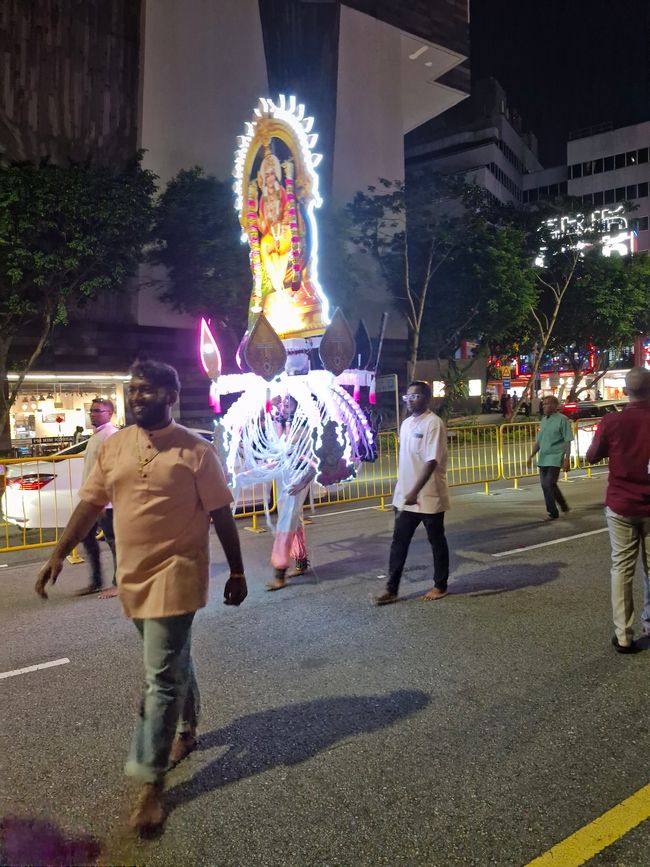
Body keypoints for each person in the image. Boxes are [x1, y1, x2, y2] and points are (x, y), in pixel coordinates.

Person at [35, 360, 247, 833]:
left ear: (170, 396)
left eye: (147, 391)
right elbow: (91, 504)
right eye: (132, 390)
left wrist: (236, 569)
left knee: (158, 679)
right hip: (134, 577)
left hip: (179, 574)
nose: (136, 398)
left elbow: (221, 513)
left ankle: (150, 783)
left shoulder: (196, 451)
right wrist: (57, 554)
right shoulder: (114, 447)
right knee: (171, 662)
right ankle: (188, 730)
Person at [586, 367, 650, 654]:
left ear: (626, 391)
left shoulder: (612, 421)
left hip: (621, 504)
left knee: (622, 569)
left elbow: (591, 455)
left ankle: (624, 635)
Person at [373, 381, 450, 605]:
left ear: (427, 399)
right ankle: (391, 589)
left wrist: (415, 491)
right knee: (399, 542)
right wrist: (400, 495)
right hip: (406, 497)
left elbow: (432, 460)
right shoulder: (406, 424)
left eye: (415, 396)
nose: (410, 399)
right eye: (407, 396)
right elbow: (406, 462)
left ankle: (440, 585)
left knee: (436, 540)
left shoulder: (433, 423)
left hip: (428, 495)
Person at [265, 394, 315, 591]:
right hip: (284, 477)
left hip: (297, 479)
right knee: (293, 518)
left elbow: (314, 459)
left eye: (289, 403)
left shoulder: (304, 428)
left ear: (297, 405)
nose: (285, 406)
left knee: (286, 521)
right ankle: (301, 561)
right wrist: (273, 406)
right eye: (283, 403)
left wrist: (303, 481)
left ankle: (280, 572)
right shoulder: (282, 424)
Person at [76, 399, 119, 598]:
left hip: (105, 502)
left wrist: (104, 498)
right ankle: (96, 581)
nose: (92, 414)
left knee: (114, 541)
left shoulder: (111, 435)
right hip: (92, 501)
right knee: (86, 537)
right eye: (91, 411)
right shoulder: (97, 436)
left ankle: (119, 583)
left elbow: (113, 470)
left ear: (109, 413)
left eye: (97, 411)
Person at [527, 395, 573, 520]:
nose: (544, 406)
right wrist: (531, 455)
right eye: (543, 404)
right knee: (547, 485)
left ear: (555, 406)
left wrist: (567, 459)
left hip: (555, 457)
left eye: (547, 404)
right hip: (543, 458)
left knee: (549, 483)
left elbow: (567, 440)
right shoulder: (544, 420)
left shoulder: (563, 420)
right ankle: (563, 504)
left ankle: (552, 512)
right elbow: (539, 441)